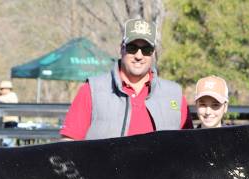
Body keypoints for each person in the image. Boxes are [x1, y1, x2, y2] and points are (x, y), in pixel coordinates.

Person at [60, 18, 188, 140]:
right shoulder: (92, 90)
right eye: (132, 48)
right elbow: (68, 143)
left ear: (153, 53)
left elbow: (189, 147)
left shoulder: (174, 94)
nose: (139, 55)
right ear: (122, 48)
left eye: (146, 49)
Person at [0, 79, 19, 147]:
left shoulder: (12, 96)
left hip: (11, 122)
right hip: (3, 122)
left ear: (8, 89)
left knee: (7, 142)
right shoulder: (1, 97)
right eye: (0, 89)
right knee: (3, 141)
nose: (0, 90)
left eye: (1, 89)